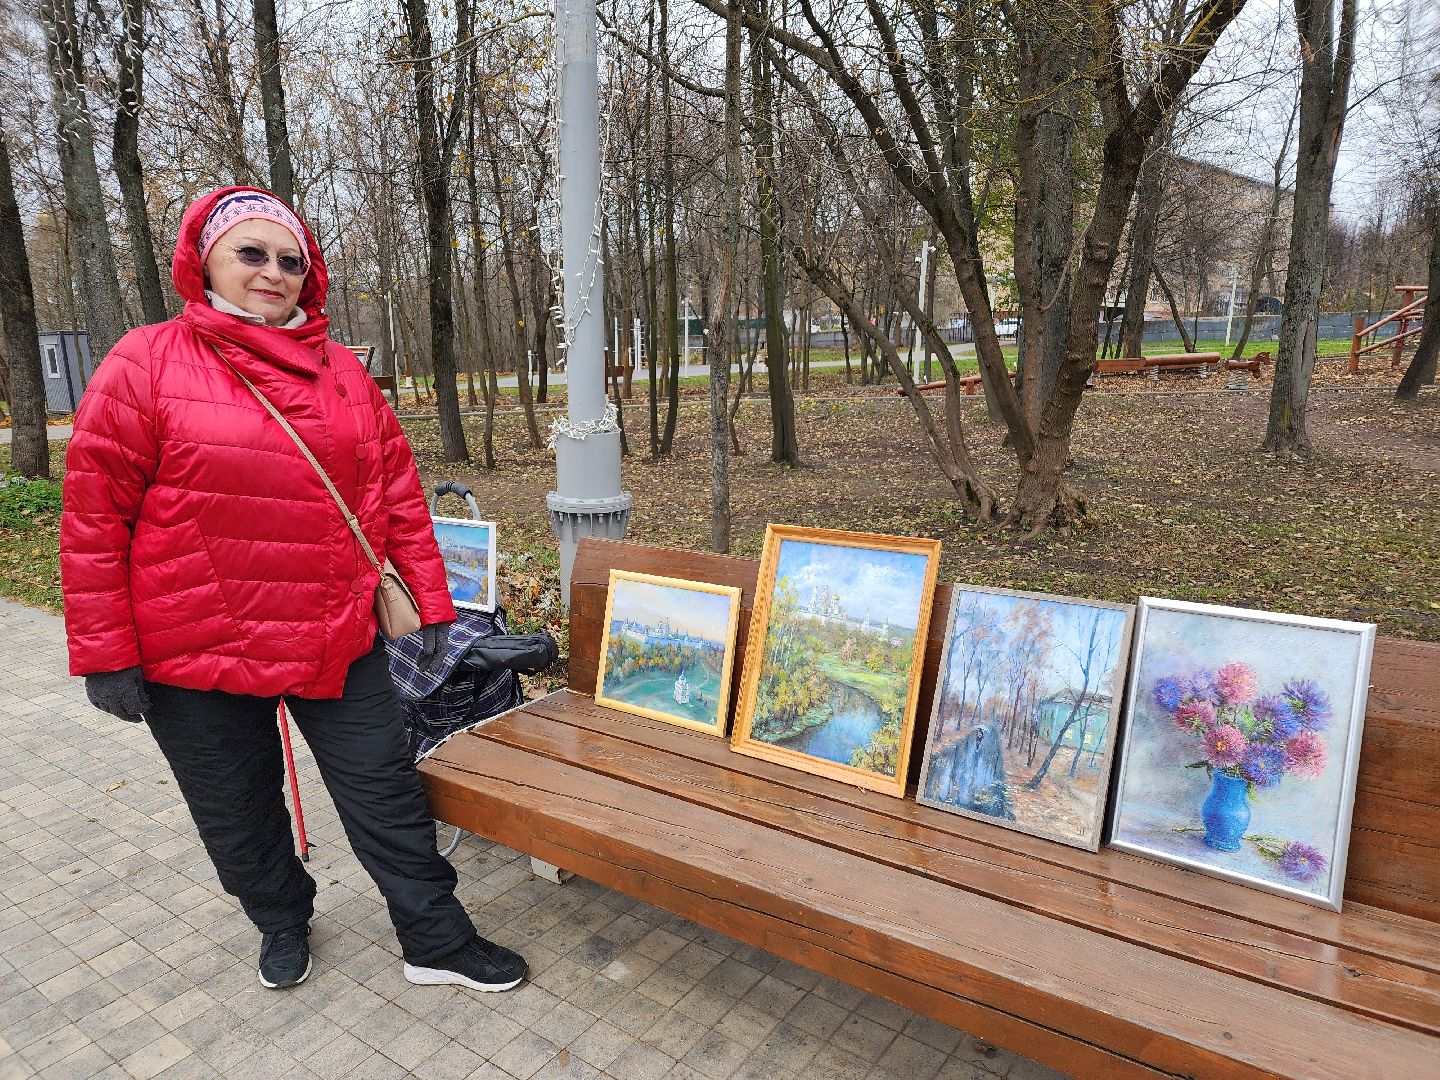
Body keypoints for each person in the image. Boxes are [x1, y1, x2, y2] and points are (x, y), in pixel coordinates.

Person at [60, 186, 527, 993]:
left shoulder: (343, 372)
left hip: (333, 639)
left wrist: (431, 610)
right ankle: (280, 918)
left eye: (289, 260)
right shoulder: (144, 362)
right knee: (237, 812)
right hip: (195, 648)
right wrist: (106, 654)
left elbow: (397, 499)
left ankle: (435, 939)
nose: (271, 272)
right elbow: (95, 518)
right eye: (250, 253)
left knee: (387, 793)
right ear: (203, 260)